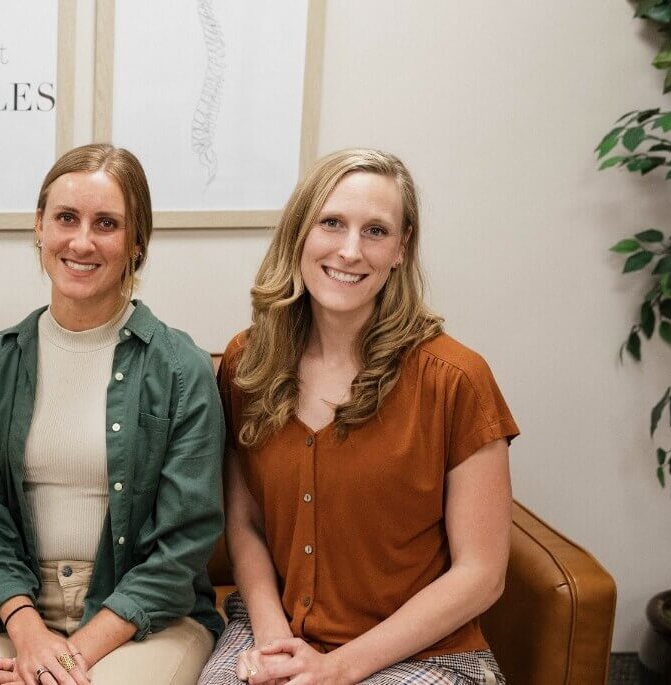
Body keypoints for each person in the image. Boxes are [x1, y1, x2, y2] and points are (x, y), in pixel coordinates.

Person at [198, 149, 516, 685]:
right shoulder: (248, 363)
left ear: (400, 248)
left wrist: (336, 669)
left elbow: (481, 575)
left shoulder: (456, 379)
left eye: (375, 230)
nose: (350, 250)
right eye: (332, 223)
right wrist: (275, 639)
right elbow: (245, 522)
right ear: (300, 230)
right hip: (272, 628)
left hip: (425, 655)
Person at [0, 143, 225, 685]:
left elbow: (183, 546)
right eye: (66, 218)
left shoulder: (180, 369)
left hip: (146, 618)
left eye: (107, 224)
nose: (81, 241)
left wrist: (73, 657)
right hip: (21, 613)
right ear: (39, 228)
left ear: (136, 243)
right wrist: (30, 635)